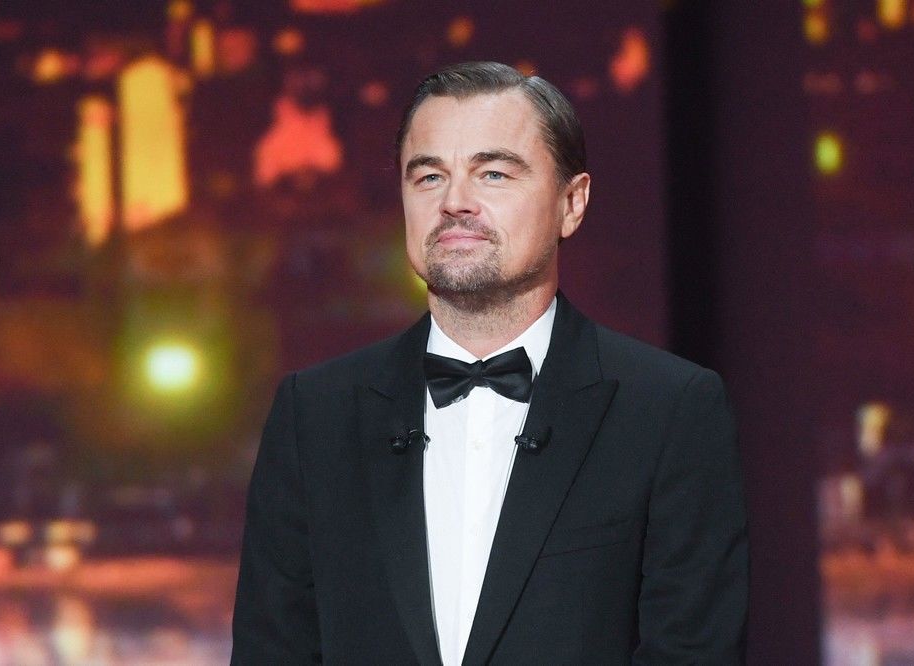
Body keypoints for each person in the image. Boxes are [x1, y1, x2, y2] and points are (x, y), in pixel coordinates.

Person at [231, 61, 748, 665]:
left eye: (494, 173)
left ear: (572, 203)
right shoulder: (314, 414)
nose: (455, 202)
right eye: (429, 177)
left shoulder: (669, 409)